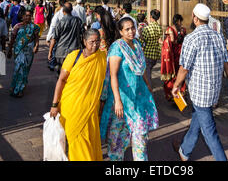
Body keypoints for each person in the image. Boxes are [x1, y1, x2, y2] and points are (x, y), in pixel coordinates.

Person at [171, 3, 228, 162]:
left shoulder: (191, 38)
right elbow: (226, 63)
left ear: (195, 18)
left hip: (199, 93)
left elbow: (184, 69)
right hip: (214, 91)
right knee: (198, 119)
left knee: (210, 133)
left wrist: (176, 86)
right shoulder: (218, 36)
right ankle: (184, 150)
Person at [100, 17, 159, 161]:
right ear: (120, 31)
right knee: (117, 138)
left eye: (133, 28)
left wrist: (148, 85)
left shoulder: (137, 44)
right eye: (127, 29)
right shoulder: (117, 47)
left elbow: (142, 67)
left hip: (138, 98)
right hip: (122, 99)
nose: (131, 31)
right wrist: (118, 101)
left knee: (141, 137)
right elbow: (113, 75)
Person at [50, 29, 107, 161]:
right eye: (91, 42)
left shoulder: (102, 57)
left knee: (89, 140)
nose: (95, 44)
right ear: (84, 41)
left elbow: (105, 82)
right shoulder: (73, 57)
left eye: (97, 41)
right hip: (71, 107)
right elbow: (61, 80)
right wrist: (54, 104)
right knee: (76, 140)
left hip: (91, 108)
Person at [7, 9, 39, 97]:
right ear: (22, 17)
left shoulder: (35, 27)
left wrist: (36, 46)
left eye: (29, 15)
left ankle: (20, 89)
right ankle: (14, 87)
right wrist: (9, 50)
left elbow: (36, 38)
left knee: (25, 70)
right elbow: (12, 39)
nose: (28, 17)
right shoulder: (17, 26)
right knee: (18, 68)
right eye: (26, 15)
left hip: (29, 51)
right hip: (18, 50)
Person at [48, 2, 85, 76]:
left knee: (60, 73)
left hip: (61, 52)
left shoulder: (60, 22)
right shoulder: (78, 21)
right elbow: (83, 34)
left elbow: (54, 39)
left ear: (63, 11)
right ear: (71, 10)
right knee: (72, 74)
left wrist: (50, 52)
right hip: (74, 51)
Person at [161, 14, 187, 101]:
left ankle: (172, 95)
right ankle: (181, 95)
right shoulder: (183, 30)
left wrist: (162, 42)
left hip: (173, 55)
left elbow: (171, 40)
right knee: (180, 74)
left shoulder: (170, 29)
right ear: (179, 21)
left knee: (173, 75)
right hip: (181, 54)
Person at [139, 9, 162, 89]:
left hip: (147, 54)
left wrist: (140, 33)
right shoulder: (160, 28)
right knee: (149, 72)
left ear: (151, 17)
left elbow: (141, 41)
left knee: (147, 75)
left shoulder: (147, 29)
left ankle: (149, 91)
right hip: (155, 54)